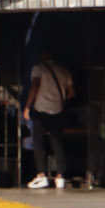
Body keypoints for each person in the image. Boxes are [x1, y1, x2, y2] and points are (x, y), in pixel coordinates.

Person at [25, 50, 77, 190]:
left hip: (42, 110)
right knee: (57, 142)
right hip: (58, 110)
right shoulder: (64, 71)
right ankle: (60, 176)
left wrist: (27, 106)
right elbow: (71, 93)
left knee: (38, 143)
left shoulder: (38, 69)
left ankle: (41, 175)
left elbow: (34, 87)